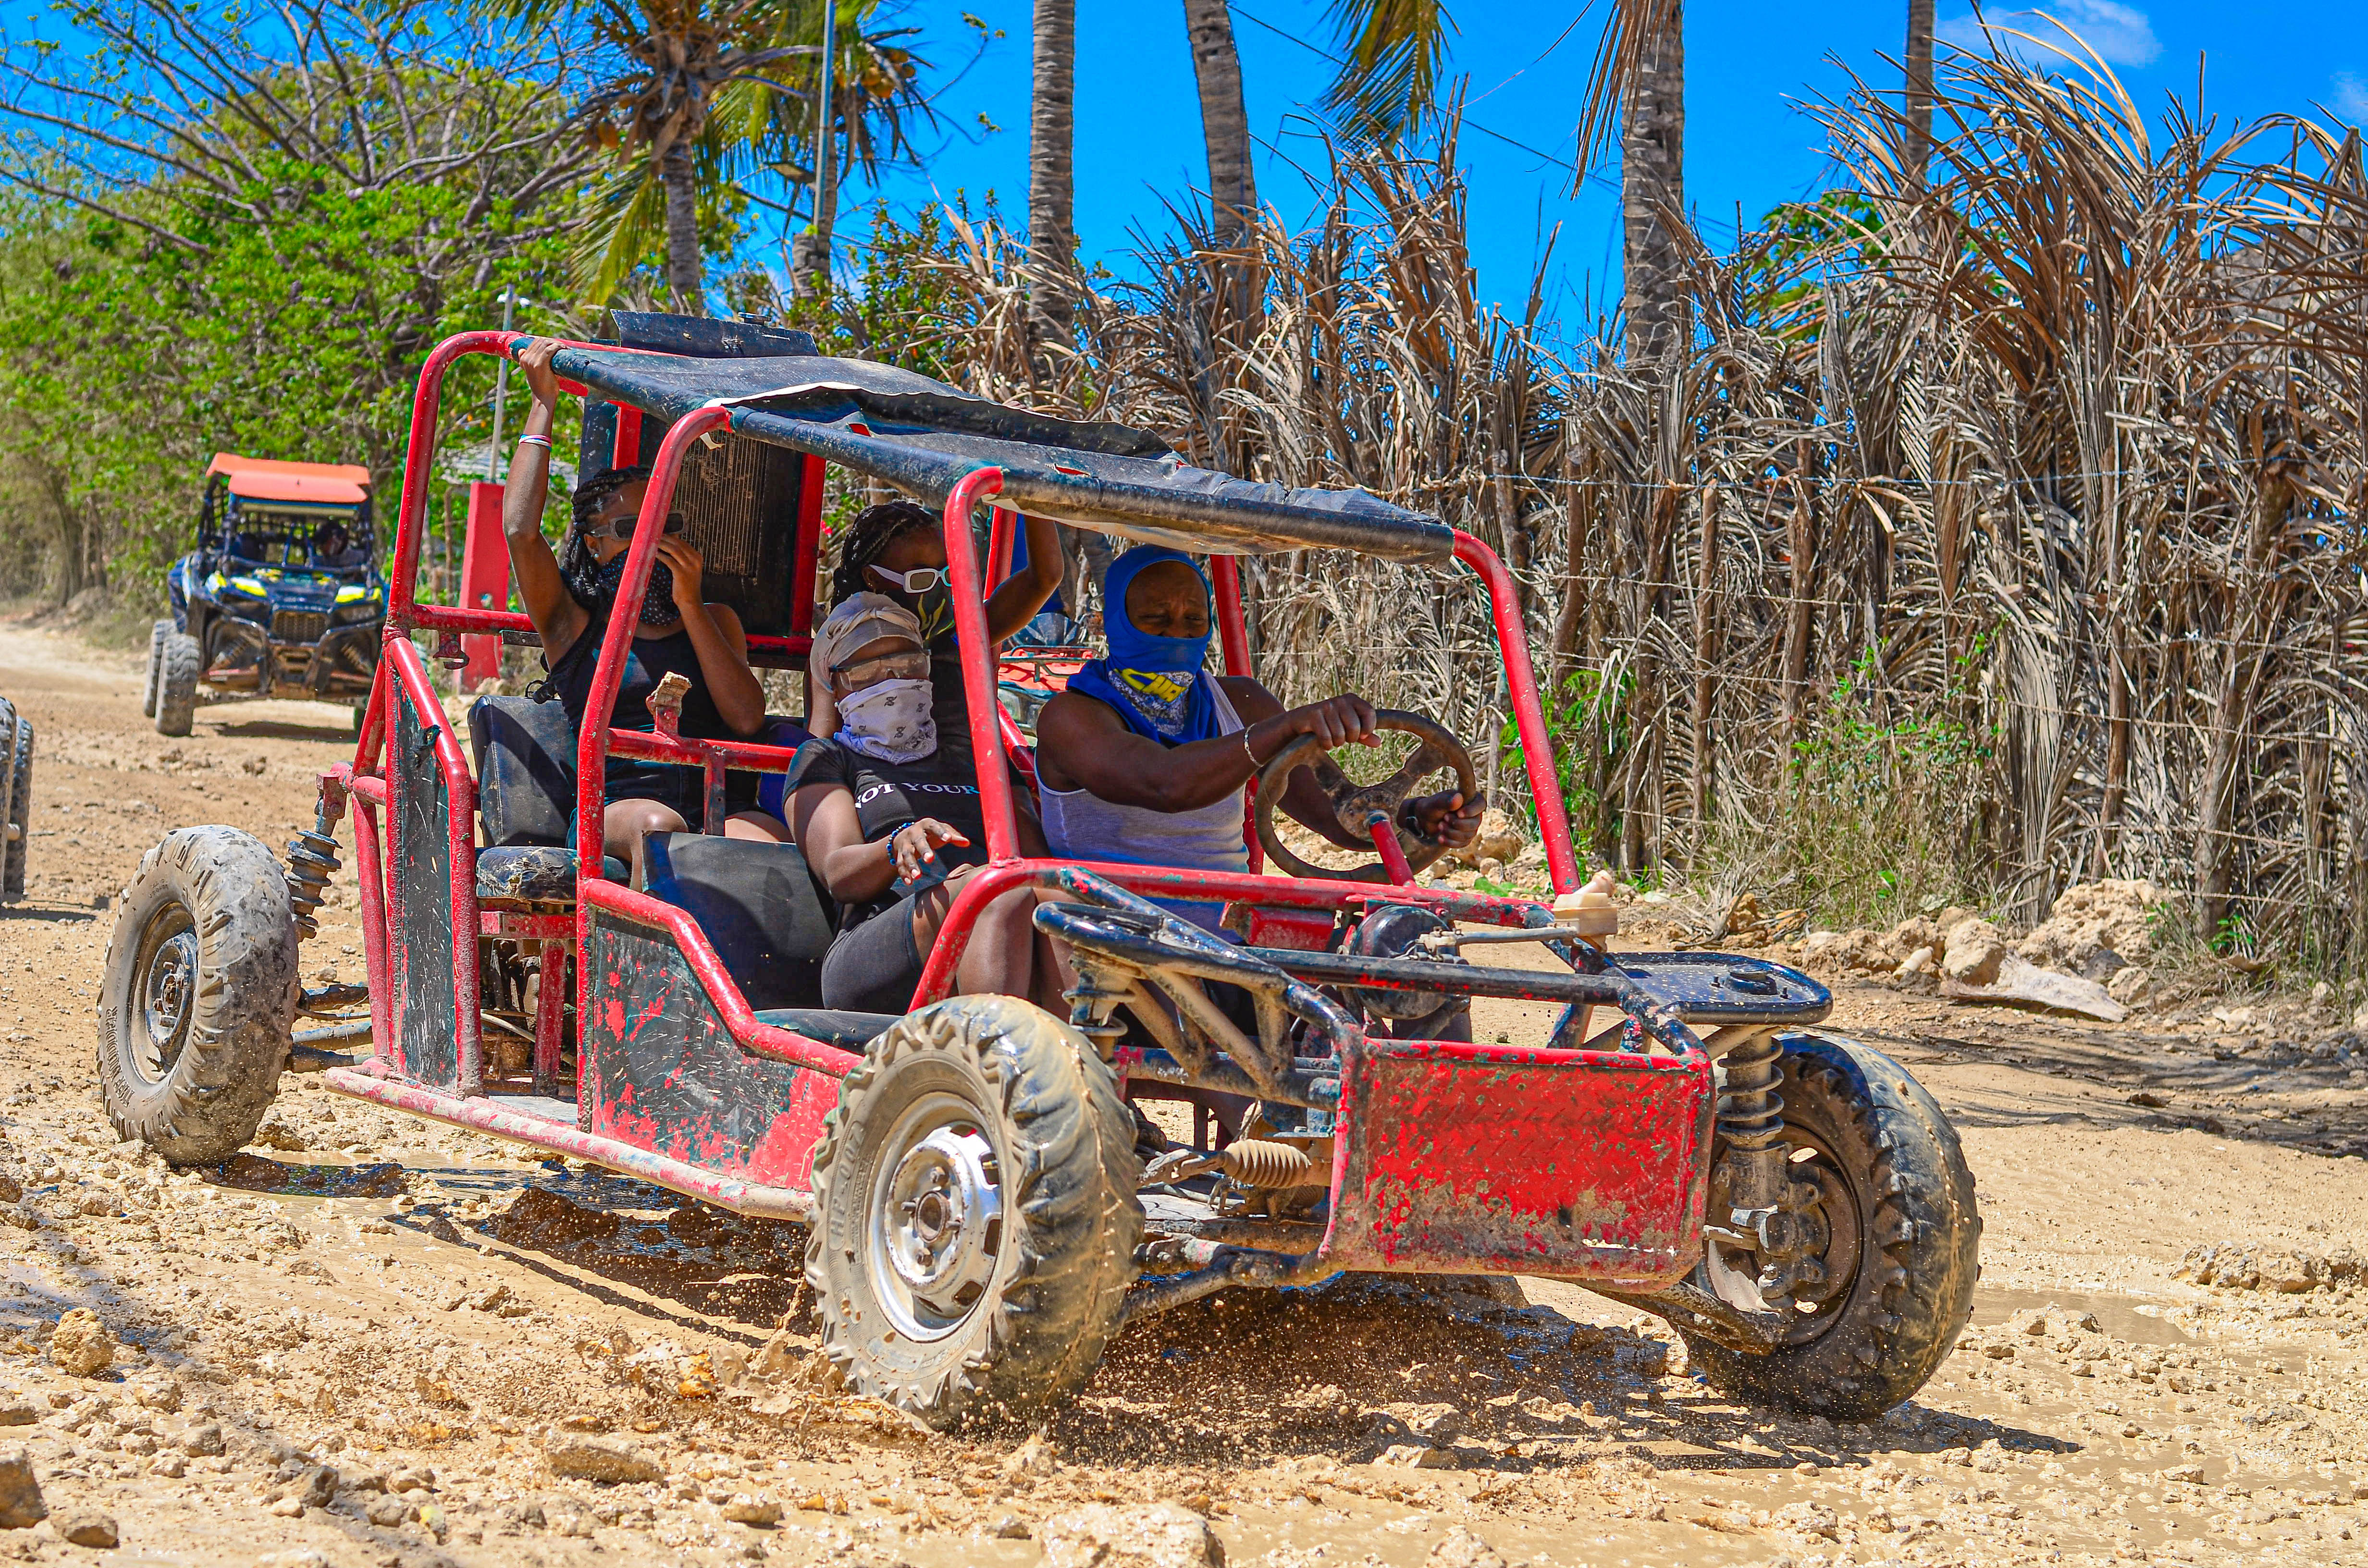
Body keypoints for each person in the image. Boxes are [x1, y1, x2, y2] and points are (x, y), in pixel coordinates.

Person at [1033, 546, 1485, 931]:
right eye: (1155, 619)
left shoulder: (1241, 703)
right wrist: (1282, 729)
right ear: (1113, 623)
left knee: (1417, 953)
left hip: (1234, 927)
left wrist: (1416, 818)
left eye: (1193, 619)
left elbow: (1335, 816)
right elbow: (1164, 784)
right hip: (1110, 929)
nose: (1178, 634)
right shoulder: (1073, 717)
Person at [503, 337, 769, 882]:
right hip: (618, 810)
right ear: (595, 543)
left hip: (715, 801)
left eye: (664, 527)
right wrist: (544, 404)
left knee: (770, 837)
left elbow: (745, 719)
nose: (651, 542)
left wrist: (689, 605)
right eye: (631, 531)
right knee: (659, 824)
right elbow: (519, 533)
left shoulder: (715, 619)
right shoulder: (573, 623)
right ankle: (665, 965)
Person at [753, 594, 1064, 1014]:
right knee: (992, 892)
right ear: (836, 683)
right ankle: (988, 1061)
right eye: (867, 672)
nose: (892, 680)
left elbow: (1036, 860)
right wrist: (896, 844)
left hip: (989, 901)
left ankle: (1085, 1064)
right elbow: (840, 873)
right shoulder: (828, 758)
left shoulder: (977, 757)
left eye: (908, 664)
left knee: (1063, 904)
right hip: (880, 938)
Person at [806, 498, 1066, 766]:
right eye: (921, 579)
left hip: (966, 784)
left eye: (946, 573)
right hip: (884, 789)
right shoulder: (840, 653)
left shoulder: (959, 636)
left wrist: (1030, 497)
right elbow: (820, 750)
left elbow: (1044, 578)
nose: (937, 589)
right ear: (873, 577)